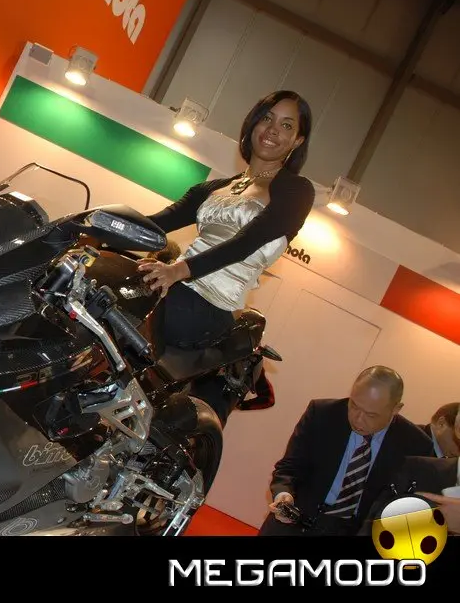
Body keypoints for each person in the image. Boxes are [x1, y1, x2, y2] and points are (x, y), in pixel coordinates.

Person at [139, 90, 317, 351]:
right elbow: (155, 223)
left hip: (210, 306)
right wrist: (94, 223)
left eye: (286, 125)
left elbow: (246, 242)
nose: (273, 129)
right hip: (176, 286)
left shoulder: (297, 191)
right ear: (254, 122)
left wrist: (176, 271)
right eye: (267, 118)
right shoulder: (213, 188)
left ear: (297, 140)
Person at [258, 365, 435, 536]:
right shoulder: (322, 413)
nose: (358, 419)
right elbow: (289, 467)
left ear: (396, 409)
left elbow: (403, 504)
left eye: (371, 415)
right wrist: (283, 494)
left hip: (353, 530)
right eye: (354, 405)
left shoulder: (415, 444)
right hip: (296, 517)